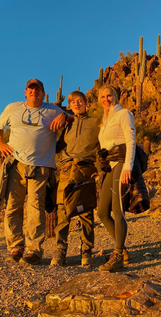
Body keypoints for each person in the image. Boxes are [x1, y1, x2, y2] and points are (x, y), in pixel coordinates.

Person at [0, 78, 70, 265]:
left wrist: (65, 116)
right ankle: (15, 246)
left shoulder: (52, 110)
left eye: (38, 90)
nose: (34, 92)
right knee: (13, 206)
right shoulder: (13, 108)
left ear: (43, 93)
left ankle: (33, 250)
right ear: (25, 92)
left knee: (36, 208)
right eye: (31, 89)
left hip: (41, 165)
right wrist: (0, 143)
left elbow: (74, 118)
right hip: (15, 164)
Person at [52, 91, 100, 267]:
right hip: (66, 169)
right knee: (63, 211)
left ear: (86, 103)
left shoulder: (96, 123)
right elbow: (56, 147)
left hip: (85, 169)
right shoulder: (66, 125)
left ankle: (86, 251)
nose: (77, 104)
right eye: (73, 102)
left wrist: (101, 170)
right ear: (70, 106)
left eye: (80, 101)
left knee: (85, 211)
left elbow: (103, 146)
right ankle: (60, 251)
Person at [96, 84, 136, 272]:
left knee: (117, 209)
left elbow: (130, 140)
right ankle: (122, 248)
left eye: (109, 96)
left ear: (116, 96)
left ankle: (118, 254)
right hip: (110, 166)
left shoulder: (124, 114)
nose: (106, 99)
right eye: (103, 96)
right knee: (103, 212)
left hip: (121, 162)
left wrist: (128, 166)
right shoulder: (104, 121)